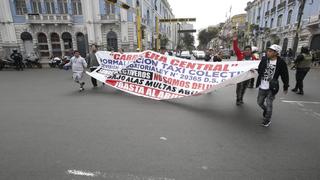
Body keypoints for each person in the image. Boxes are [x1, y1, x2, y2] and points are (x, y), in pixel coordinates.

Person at [256, 44, 289, 127]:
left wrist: (285, 86)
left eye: (270, 51)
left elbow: (285, 75)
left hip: (272, 87)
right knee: (259, 102)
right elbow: (259, 69)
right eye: (268, 51)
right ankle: (266, 110)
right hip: (262, 85)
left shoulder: (281, 63)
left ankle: (267, 120)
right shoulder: (264, 59)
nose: (268, 52)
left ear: (276, 53)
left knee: (269, 103)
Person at [233, 33, 258, 105]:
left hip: (248, 76)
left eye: (249, 50)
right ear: (244, 51)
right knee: (239, 87)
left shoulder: (253, 57)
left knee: (244, 87)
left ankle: (241, 98)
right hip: (240, 75)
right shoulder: (240, 55)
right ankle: (238, 99)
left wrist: (254, 70)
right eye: (246, 50)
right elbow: (235, 48)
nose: (247, 51)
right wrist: (235, 40)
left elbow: (257, 65)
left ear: (251, 51)